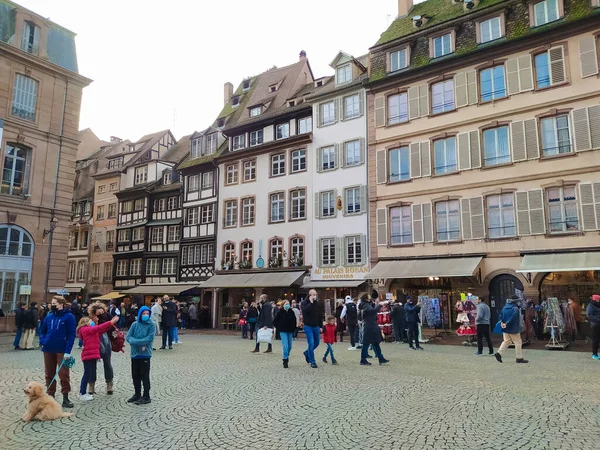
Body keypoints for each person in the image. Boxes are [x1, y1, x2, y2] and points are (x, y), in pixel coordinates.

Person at [39, 296, 77, 408]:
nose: (52, 305)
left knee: (63, 374)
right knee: (49, 374)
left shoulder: (69, 317)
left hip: (61, 349)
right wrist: (43, 341)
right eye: (52, 303)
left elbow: (71, 334)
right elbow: (42, 330)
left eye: (54, 303)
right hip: (48, 348)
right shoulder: (49, 316)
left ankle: (65, 397)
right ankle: (51, 397)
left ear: (61, 304)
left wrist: (67, 351)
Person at [76, 315, 119, 401]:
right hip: (88, 356)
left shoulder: (91, 331)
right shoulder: (85, 330)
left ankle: (84, 393)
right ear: (85, 323)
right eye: (89, 321)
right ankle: (82, 393)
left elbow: (101, 329)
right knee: (86, 375)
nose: (91, 322)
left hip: (92, 356)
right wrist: (111, 322)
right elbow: (98, 328)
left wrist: (110, 324)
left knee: (88, 374)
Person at [125, 306, 155, 405]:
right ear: (140, 314)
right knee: (135, 375)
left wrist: (138, 343)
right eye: (143, 314)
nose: (145, 315)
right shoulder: (134, 324)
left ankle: (146, 395)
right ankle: (137, 394)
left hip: (145, 354)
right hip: (135, 354)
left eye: (147, 314)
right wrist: (137, 343)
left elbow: (149, 339)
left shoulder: (151, 325)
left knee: (144, 375)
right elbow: (129, 337)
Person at [88, 303, 116, 394]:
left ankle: (109, 383)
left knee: (107, 363)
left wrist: (106, 328)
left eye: (102, 311)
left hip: (106, 341)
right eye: (99, 312)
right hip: (94, 342)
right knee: (92, 365)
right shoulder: (91, 318)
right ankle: (91, 385)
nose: (101, 313)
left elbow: (113, 326)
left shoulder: (108, 315)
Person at [494, 296, 528, 364]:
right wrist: (507, 324)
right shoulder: (515, 308)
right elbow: (513, 318)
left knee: (506, 341)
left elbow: (500, 316)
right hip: (513, 328)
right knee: (518, 342)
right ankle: (519, 358)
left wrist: (502, 323)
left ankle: (499, 353)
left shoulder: (504, 307)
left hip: (505, 328)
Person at [359, 293, 389, 366]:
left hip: (372, 325)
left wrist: (375, 303)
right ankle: (363, 360)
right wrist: (380, 305)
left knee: (375, 343)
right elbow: (372, 311)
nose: (370, 297)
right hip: (369, 326)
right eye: (369, 296)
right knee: (366, 344)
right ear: (366, 298)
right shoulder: (365, 305)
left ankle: (380, 358)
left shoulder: (366, 304)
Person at [273, 300, 297, 368]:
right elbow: (275, 322)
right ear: (283, 305)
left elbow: (294, 321)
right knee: (285, 346)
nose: (287, 305)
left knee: (290, 346)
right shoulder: (280, 312)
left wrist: (293, 329)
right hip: (283, 331)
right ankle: (285, 360)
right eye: (286, 304)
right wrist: (279, 327)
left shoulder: (291, 312)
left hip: (290, 331)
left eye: (288, 304)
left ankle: (286, 355)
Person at [301, 289, 321, 368]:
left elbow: (319, 315)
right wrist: (311, 303)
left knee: (317, 343)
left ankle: (307, 353)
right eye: (313, 294)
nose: (314, 296)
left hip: (316, 326)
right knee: (311, 343)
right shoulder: (304, 303)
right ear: (309, 295)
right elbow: (305, 312)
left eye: (315, 294)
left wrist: (321, 326)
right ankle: (312, 361)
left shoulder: (317, 303)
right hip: (308, 326)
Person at [587, 294, 600, 361]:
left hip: (598, 324)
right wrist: (598, 320)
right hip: (595, 324)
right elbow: (589, 315)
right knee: (596, 339)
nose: (599, 300)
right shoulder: (591, 306)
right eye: (598, 299)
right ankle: (594, 354)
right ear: (595, 299)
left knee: (598, 339)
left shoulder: (597, 305)